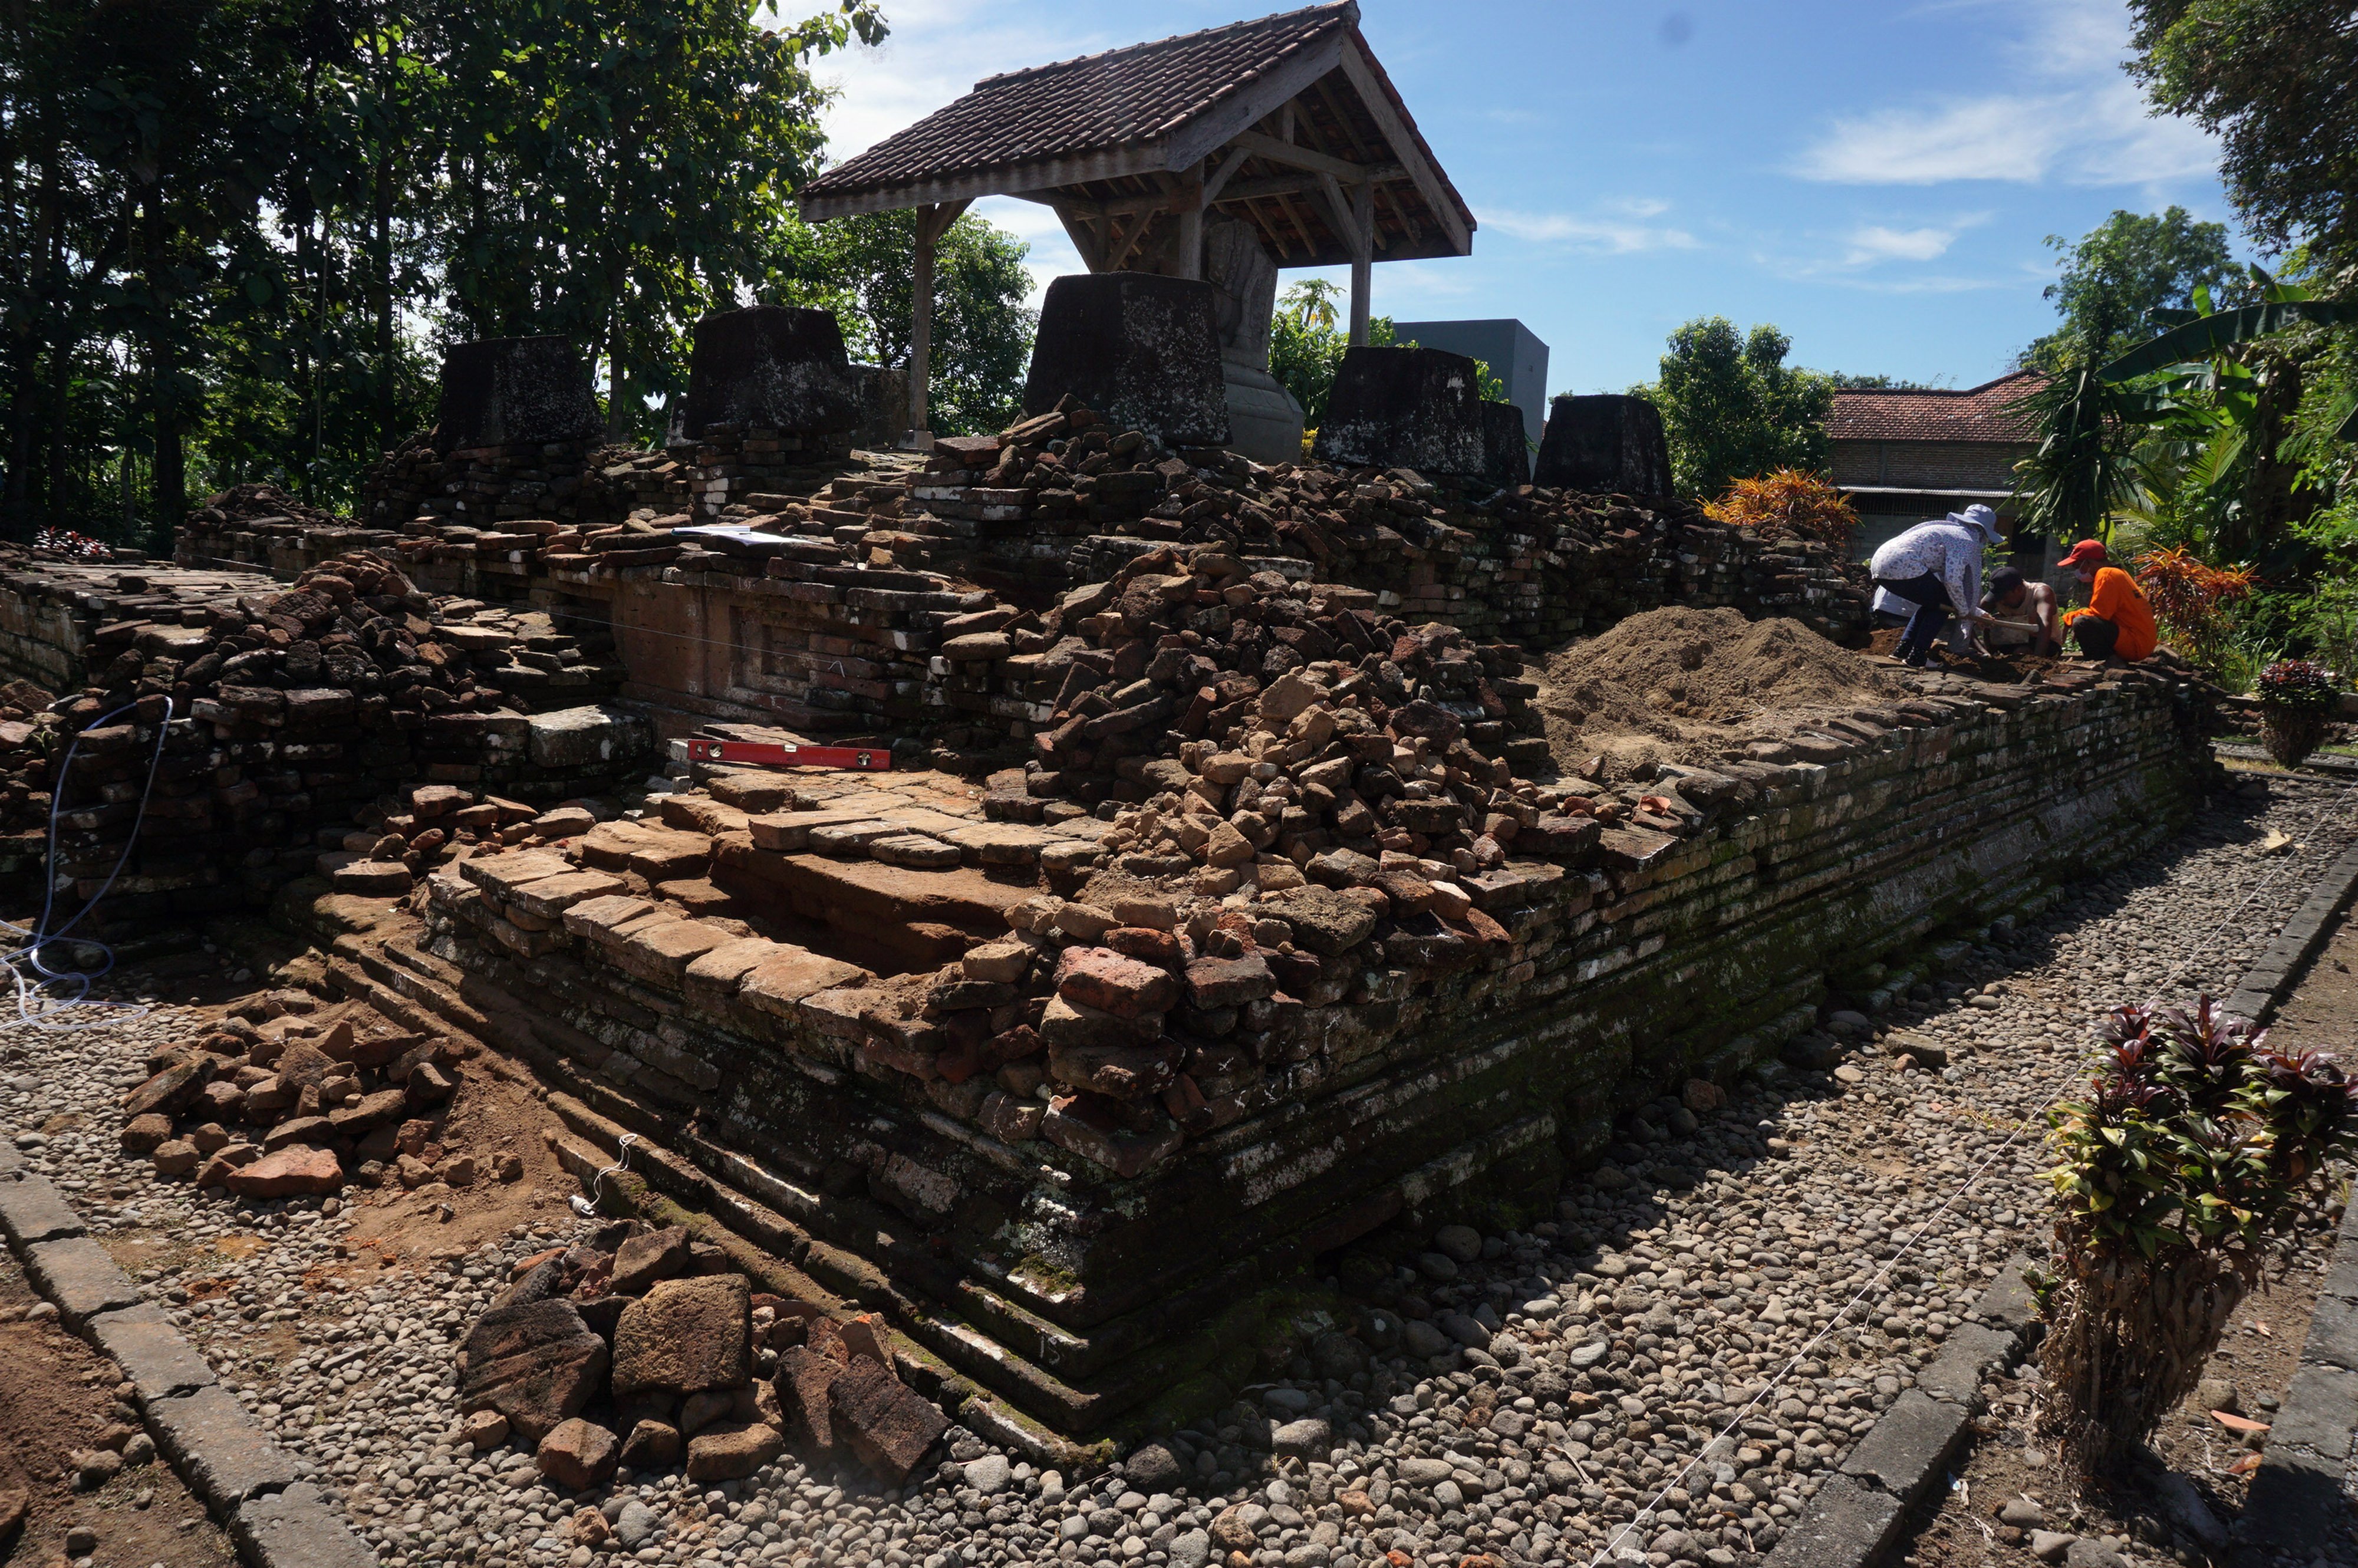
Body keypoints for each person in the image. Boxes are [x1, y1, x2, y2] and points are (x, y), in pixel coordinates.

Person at [1868, 503, 2004, 667]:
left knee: (1933, 602)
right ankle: (1917, 657)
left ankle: (1903, 650)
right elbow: (1953, 580)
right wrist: (1963, 610)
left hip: (1881, 564)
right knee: (1943, 603)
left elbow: (1946, 581)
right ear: (1982, 531)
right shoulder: (1965, 540)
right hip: (1903, 564)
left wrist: (1973, 611)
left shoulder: (1949, 532)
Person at [2056, 538, 2158, 661]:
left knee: (2082, 622)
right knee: (2083, 620)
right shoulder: (2118, 573)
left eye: (2077, 566)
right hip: (2141, 643)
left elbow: (2099, 616)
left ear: (2088, 563)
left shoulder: (2106, 574)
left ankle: (2106, 662)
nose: (2077, 572)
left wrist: (2070, 618)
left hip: (2135, 644)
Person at [1979, 566, 2061, 655]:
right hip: (2012, 640)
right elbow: (1972, 621)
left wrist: (2038, 660)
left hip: (2045, 642)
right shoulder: (1992, 600)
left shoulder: (2041, 593)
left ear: (2019, 589)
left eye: (2004, 597)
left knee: (2021, 653)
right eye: (1997, 597)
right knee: (1989, 621)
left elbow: (2045, 626)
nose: (2001, 601)